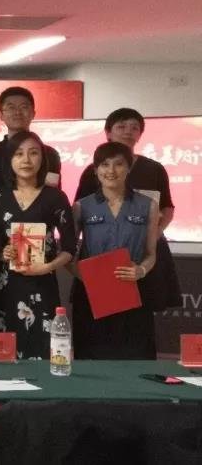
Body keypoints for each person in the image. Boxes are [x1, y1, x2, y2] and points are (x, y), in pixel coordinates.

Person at [74, 107, 179, 311]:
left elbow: (167, 208)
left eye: (134, 127)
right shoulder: (92, 171)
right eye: (121, 127)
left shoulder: (154, 168)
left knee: (139, 309)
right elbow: (79, 213)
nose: (128, 131)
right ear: (108, 132)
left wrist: (153, 234)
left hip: (142, 254)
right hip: (100, 257)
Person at [0, 131, 76, 360]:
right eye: (19, 154)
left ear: (42, 159)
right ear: (9, 160)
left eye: (33, 153)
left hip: (42, 284)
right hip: (6, 285)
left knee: (43, 350)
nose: (26, 160)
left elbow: (69, 248)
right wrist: (0, 254)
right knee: (4, 352)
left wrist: (48, 267)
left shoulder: (56, 197)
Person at [72, 141, 159, 359]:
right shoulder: (82, 207)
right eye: (104, 164)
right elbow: (68, 254)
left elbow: (151, 253)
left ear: (129, 168)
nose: (111, 171)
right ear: (95, 170)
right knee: (92, 357)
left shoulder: (148, 205)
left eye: (119, 164)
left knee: (136, 357)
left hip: (133, 290)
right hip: (92, 294)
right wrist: (86, 276)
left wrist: (141, 270)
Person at [0, 86, 63, 196]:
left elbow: (54, 194)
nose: (17, 112)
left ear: (33, 113)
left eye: (24, 107)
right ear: (1, 115)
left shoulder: (50, 154)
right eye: (11, 108)